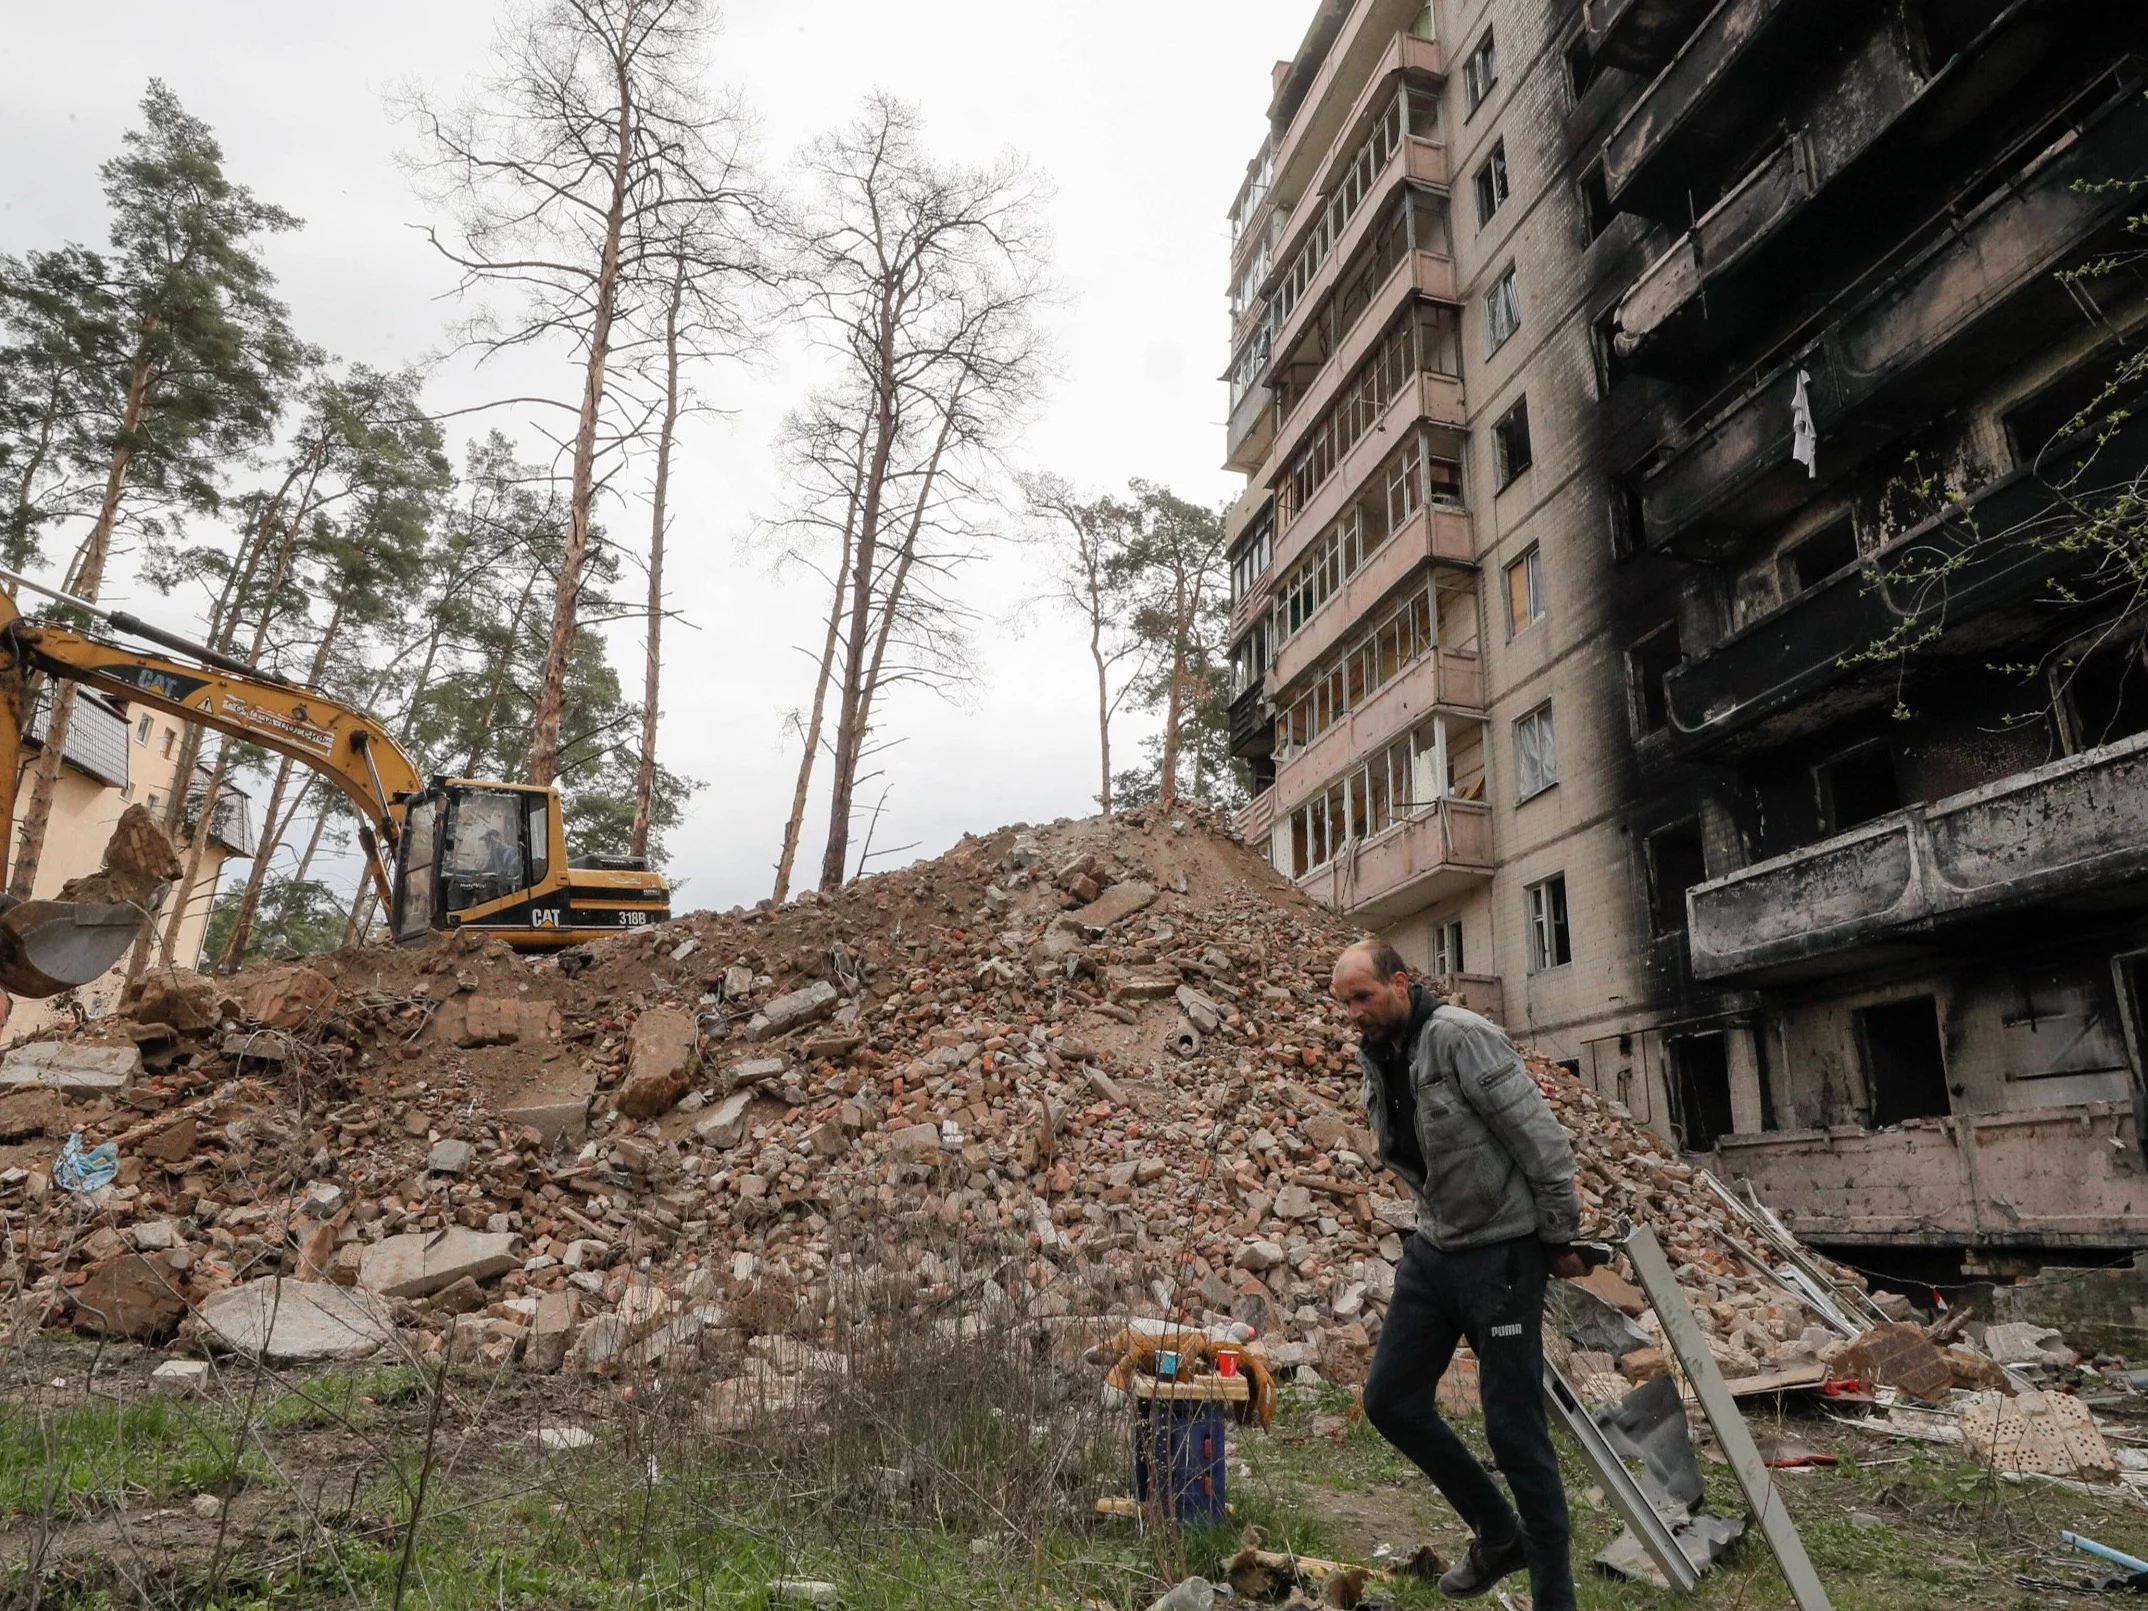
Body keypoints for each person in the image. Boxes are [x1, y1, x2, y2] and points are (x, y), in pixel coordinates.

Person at [1331, 938, 1584, 1608]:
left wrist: (1559, 1233)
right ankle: (1499, 1533)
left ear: (1401, 982)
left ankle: (1555, 1597)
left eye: (1363, 995)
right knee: (1390, 1400)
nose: (1354, 1011)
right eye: (1345, 1002)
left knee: (1514, 1428)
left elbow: (1541, 1139)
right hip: (1435, 1248)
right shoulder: (1381, 1054)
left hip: (1500, 1253)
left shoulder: (1461, 1038)